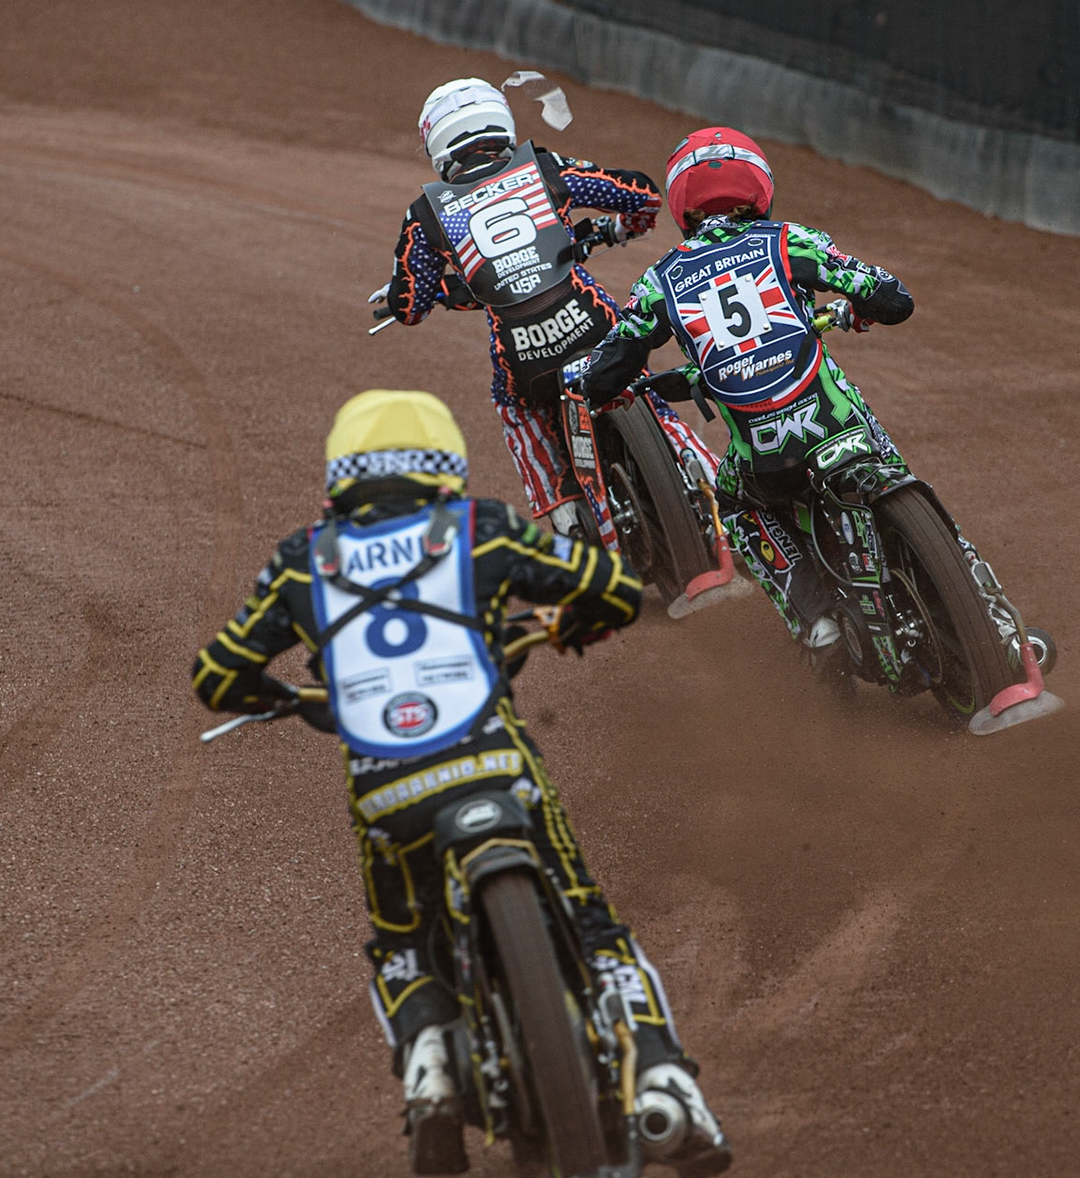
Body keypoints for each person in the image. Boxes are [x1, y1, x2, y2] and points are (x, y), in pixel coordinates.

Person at [191, 390, 730, 1177]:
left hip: (389, 796)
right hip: (495, 767)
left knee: (405, 941)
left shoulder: (304, 557)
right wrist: (573, 624)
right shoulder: (478, 529)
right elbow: (610, 587)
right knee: (590, 924)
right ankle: (663, 1079)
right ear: (442, 466)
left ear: (344, 477)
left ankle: (430, 1072)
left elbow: (218, 674)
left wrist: (289, 701)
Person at [579, 127, 1042, 662]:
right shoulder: (789, 239)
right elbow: (895, 300)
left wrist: (601, 387)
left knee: (732, 502)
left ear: (684, 204)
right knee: (893, 465)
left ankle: (817, 622)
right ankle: (1002, 629)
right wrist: (861, 308)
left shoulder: (660, 281)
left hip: (764, 457)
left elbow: (608, 370)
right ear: (757, 185)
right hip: (838, 424)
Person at [384, 78, 718, 541]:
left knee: (515, 410)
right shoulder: (543, 168)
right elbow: (643, 195)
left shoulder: (426, 213)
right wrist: (610, 232)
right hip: (591, 322)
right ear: (500, 123)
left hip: (523, 356)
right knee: (639, 384)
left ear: (438, 144)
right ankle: (709, 479)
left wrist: (445, 291)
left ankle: (564, 517)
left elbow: (408, 305)